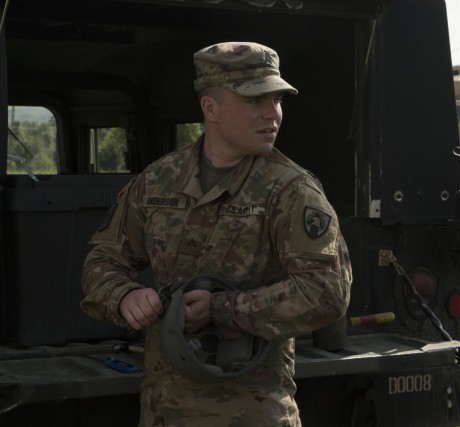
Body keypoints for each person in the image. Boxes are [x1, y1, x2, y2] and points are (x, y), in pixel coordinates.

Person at [81, 41, 352, 427]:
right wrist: (124, 295)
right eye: (255, 101)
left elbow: (327, 291)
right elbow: (102, 261)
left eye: (276, 100)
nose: (271, 114)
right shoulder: (158, 181)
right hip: (165, 410)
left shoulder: (290, 190)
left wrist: (222, 308)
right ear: (210, 108)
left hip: (253, 412)